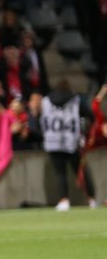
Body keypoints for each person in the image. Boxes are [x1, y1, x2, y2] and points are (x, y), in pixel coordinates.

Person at [40, 81, 97, 211]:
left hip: (52, 141)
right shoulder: (76, 100)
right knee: (80, 170)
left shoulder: (46, 101)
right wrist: (85, 131)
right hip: (72, 141)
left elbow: (41, 120)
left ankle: (64, 200)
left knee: (60, 173)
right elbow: (91, 116)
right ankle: (91, 199)